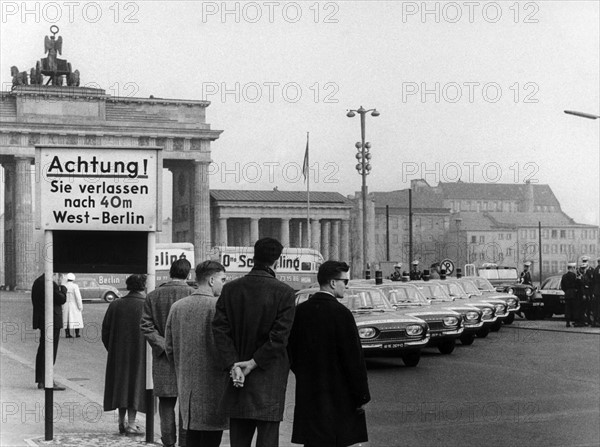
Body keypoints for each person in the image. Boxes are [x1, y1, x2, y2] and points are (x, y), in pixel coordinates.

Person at [212, 237, 296, 447]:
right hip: (269, 375)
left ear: (253, 256)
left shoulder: (230, 289)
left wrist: (233, 363)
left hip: (237, 375)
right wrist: (253, 363)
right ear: (277, 260)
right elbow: (279, 337)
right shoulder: (284, 292)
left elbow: (220, 330)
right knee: (268, 438)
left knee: (239, 437)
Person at [288, 261, 370, 447]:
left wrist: (303, 373)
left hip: (308, 391)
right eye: (345, 282)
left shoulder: (300, 312)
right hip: (339, 395)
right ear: (333, 283)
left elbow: (290, 351)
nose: (346, 287)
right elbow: (354, 360)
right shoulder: (342, 314)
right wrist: (362, 395)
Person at [166, 261, 229, 447]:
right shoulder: (219, 307)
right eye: (223, 279)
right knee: (211, 439)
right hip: (215, 387)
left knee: (191, 436)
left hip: (187, 387)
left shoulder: (177, 307)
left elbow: (169, 348)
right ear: (211, 280)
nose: (224, 284)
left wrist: (181, 367)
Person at [141, 259, 196, 447]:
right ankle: (185, 443)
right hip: (188, 359)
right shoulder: (193, 294)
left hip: (163, 358)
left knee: (166, 405)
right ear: (188, 274)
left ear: (171, 272)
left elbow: (146, 326)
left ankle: (169, 443)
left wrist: (165, 345)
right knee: (186, 408)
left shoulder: (153, 295)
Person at [102, 274, 148, 436]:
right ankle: (132, 423)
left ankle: (121, 422)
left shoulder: (115, 305)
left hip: (118, 354)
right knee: (135, 385)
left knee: (121, 386)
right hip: (140, 354)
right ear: (143, 286)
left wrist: (114, 349)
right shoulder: (146, 305)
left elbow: (105, 331)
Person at [32, 273, 67, 390]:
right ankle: (47, 380)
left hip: (42, 320)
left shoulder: (37, 282)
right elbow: (61, 299)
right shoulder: (50, 283)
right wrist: (63, 288)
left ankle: (41, 379)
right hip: (52, 320)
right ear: (55, 274)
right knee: (51, 350)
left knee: (43, 349)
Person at [62, 273, 83, 338]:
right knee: (76, 319)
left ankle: (67, 334)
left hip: (65, 304)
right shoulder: (75, 286)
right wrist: (80, 306)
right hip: (74, 304)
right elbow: (78, 297)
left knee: (66, 319)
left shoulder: (64, 285)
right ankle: (77, 333)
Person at [561, 263, 581, 328]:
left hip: (567, 294)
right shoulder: (574, 276)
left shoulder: (564, 276)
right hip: (574, 293)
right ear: (572, 268)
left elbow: (562, 286)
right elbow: (578, 285)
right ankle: (576, 321)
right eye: (574, 268)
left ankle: (567, 322)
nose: (574, 269)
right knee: (575, 308)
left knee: (567, 308)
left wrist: (566, 291)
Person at [592, 256, 600, 327]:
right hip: (598, 291)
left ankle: (595, 321)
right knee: (598, 307)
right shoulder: (599, 270)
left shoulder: (595, 269)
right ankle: (597, 321)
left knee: (596, 307)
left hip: (596, 290)